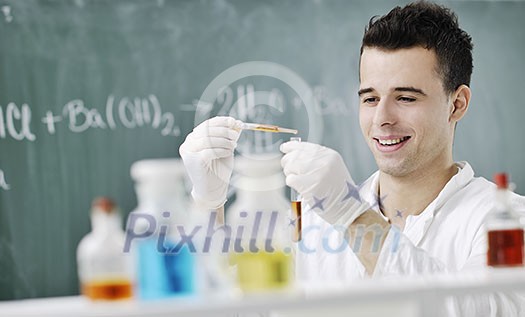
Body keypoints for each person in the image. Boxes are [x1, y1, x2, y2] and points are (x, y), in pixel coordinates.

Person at [179, 1, 525, 315]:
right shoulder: (312, 222)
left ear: (457, 103)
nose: (382, 119)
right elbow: (238, 304)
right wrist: (208, 206)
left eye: (405, 98)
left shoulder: (507, 221)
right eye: (370, 98)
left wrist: (351, 215)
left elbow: (472, 309)